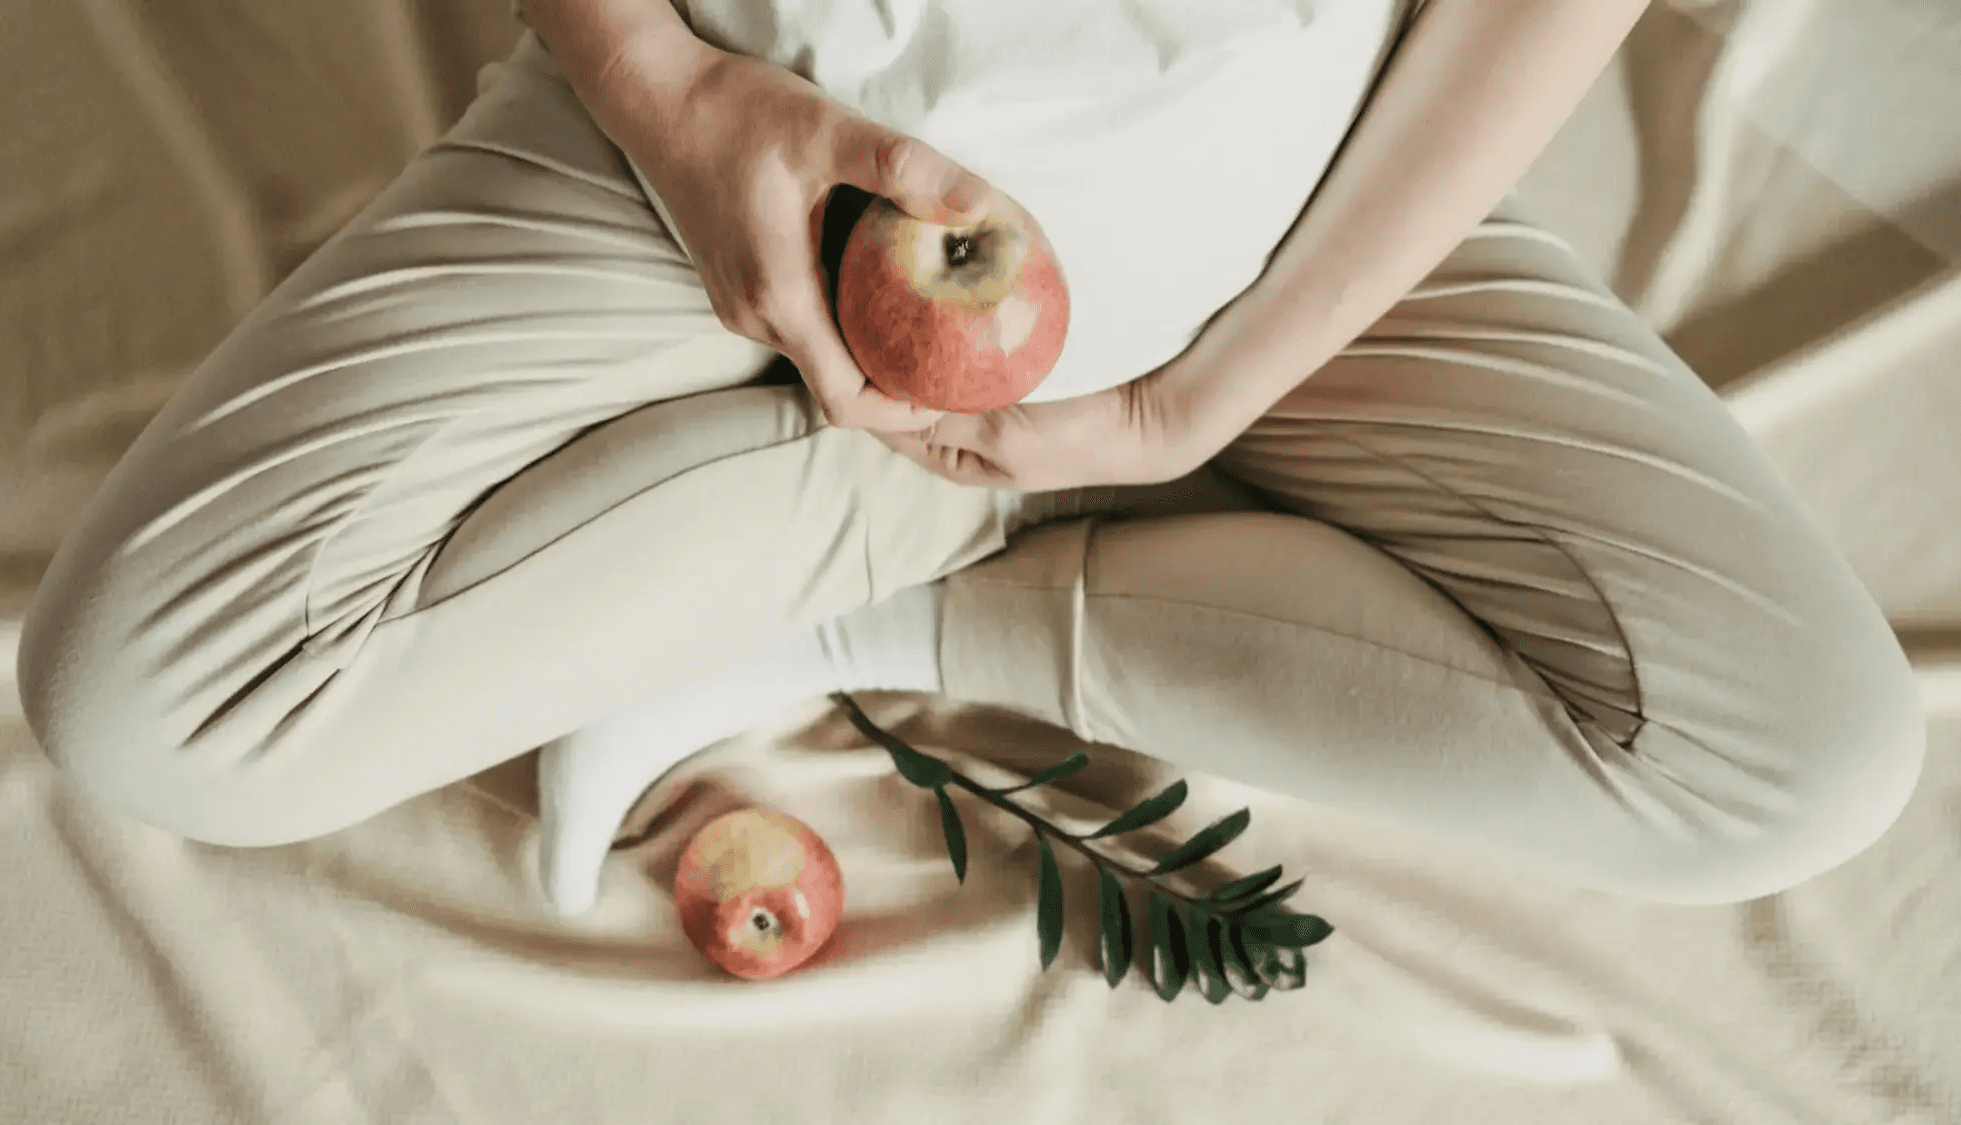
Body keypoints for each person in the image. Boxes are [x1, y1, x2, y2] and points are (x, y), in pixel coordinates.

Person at [16, 0, 1924, 918]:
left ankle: (851, 612)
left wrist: (1212, 392)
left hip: (1295, 218)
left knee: (1798, 751)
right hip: (747, 141)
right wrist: (663, 91)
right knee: (145, 698)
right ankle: (946, 495)